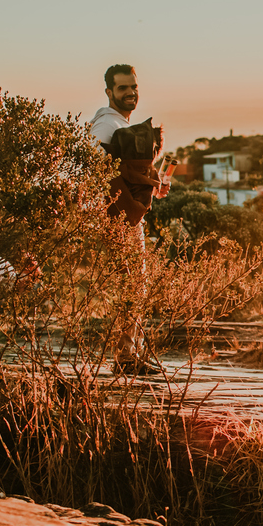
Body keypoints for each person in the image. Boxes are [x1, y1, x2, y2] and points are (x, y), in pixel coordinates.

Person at [91, 64, 170, 371]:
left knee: (135, 285)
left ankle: (130, 353)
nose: (130, 93)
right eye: (123, 88)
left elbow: (121, 169)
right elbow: (92, 167)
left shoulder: (119, 125)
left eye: (133, 87)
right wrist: (111, 207)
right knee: (133, 285)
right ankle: (126, 358)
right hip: (116, 218)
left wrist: (151, 182)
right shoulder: (106, 125)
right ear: (109, 92)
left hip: (123, 216)